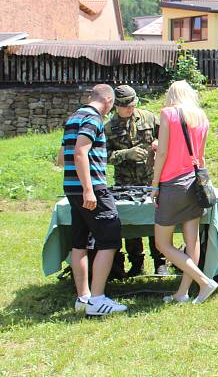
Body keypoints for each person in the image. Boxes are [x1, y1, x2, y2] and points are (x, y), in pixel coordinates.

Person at [56, 84, 128, 316]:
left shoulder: (73, 117)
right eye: (113, 102)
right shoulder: (93, 119)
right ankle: (97, 300)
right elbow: (80, 152)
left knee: (80, 243)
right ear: (107, 100)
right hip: (92, 190)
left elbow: (61, 157)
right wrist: (89, 189)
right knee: (110, 240)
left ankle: (83, 296)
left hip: (71, 189)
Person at [151, 80, 218, 304]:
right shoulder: (201, 117)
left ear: (171, 95)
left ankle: (203, 281)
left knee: (162, 243)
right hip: (195, 181)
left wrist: (154, 184)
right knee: (192, 241)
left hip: (172, 183)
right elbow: (201, 157)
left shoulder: (168, 113)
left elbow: (161, 154)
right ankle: (182, 293)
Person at [105, 85, 167, 276]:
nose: (129, 109)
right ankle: (136, 263)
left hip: (150, 179)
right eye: (125, 106)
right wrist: (126, 154)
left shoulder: (148, 117)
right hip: (126, 183)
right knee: (131, 225)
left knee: (155, 222)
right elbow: (103, 156)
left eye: (132, 105)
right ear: (117, 106)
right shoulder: (109, 127)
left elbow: (166, 136)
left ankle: (160, 262)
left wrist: (158, 144)